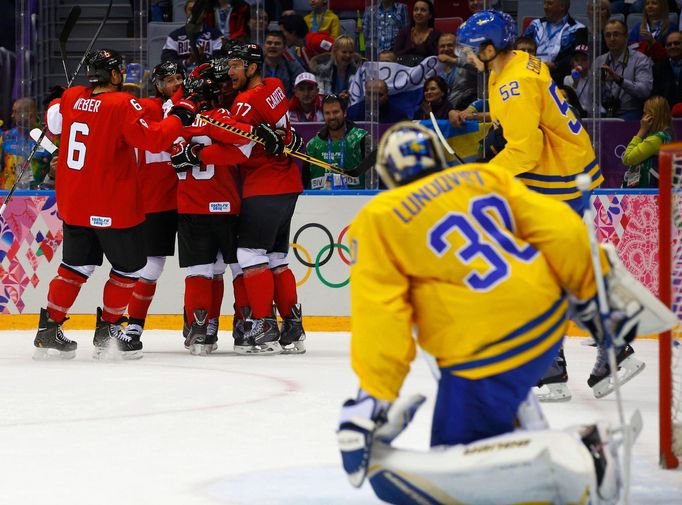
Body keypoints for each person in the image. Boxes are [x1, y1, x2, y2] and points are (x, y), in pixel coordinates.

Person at [336, 122, 670, 504]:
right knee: (501, 405)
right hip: (546, 323)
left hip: (483, 350)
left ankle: (586, 458)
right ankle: (546, 438)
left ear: (387, 174)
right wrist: (595, 295)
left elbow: (382, 317)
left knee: (461, 471)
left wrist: (371, 400)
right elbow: (561, 228)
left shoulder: (379, 216)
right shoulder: (481, 176)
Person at [459, 11, 646, 402]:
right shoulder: (512, 66)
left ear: (491, 47)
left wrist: (484, 176)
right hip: (561, 173)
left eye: (471, 46)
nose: (465, 53)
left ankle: (570, 362)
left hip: (555, 179)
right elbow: (527, 124)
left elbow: (525, 151)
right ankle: (573, 360)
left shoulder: (514, 81)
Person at [34, 48, 195, 360]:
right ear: (112, 74)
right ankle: (108, 329)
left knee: (76, 266)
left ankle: (49, 328)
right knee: (129, 268)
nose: (123, 73)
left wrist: (57, 99)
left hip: (74, 203)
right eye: (119, 69)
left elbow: (54, 116)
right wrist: (179, 115)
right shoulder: (121, 104)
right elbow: (155, 139)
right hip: (110, 204)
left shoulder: (71, 97)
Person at [182, 43, 306, 354]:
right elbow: (272, 130)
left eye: (236, 65)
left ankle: (263, 324)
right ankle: (292, 326)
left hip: (263, 185)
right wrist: (286, 137)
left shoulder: (245, 104)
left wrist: (199, 152)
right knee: (277, 258)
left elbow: (240, 147)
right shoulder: (276, 86)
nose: (230, 71)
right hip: (288, 183)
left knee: (250, 255)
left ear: (252, 67)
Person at [124, 62, 184, 345]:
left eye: (179, 78)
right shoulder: (145, 107)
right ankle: (133, 326)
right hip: (156, 201)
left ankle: (200, 321)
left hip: (190, 200)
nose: (176, 83)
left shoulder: (193, 106)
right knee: (150, 268)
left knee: (207, 267)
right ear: (158, 85)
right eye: (169, 79)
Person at [304, 94, 368, 190]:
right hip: (320, 202)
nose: (332, 117)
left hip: (356, 202)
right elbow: (304, 182)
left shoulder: (361, 139)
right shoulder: (313, 146)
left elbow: (374, 178)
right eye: (327, 113)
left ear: (345, 112)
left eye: (335, 112)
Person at [594, 19, 653, 120]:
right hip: (603, 113)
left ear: (626, 36)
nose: (612, 39)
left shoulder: (640, 59)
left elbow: (645, 90)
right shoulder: (599, 61)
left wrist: (620, 80)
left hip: (630, 113)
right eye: (608, 35)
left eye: (616, 34)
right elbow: (590, 95)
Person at [523, 0, 587, 83]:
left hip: (559, 78)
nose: (545, 7)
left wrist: (555, 66)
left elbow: (578, 58)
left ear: (562, 7)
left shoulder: (578, 29)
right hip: (529, 74)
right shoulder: (535, 25)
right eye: (545, 3)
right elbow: (520, 46)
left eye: (549, 4)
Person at [622, 95, 673, 187]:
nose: (642, 118)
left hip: (648, 193)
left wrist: (641, 131)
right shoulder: (664, 136)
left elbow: (628, 158)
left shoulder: (656, 139)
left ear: (653, 117)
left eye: (645, 114)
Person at [0, 97, 51, 190]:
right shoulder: (6, 137)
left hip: (38, 197)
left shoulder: (47, 139)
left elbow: (53, 171)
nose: (12, 115)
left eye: (16, 112)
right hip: (8, 196)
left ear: (29, 115)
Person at [160, 0, 223, 72]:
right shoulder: (174, 36)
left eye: (197, 10)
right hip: (182, 78)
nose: (194, 13)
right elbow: (166, 61)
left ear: (205, 13)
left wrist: (202, 58)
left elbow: (220, 60)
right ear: (186, 13)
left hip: (207, 77)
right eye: (191, 10)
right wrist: (188, 61)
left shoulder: (216, 35)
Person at [310, 34, 362, 100]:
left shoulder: (358, 71)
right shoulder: (322, 70)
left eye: (351, 52)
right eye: (344, 52)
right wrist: (337, 98)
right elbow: (320, 98)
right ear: (335, 52)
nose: (348, 55)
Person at [436, 32, 479, 110]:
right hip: (444, 112)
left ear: (457, 47)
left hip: (466, 110)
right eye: (442, 46)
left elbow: (479, 68)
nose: (446, 49)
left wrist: (453, 60)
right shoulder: (435, 67)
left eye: (449, 45)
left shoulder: (468, 61)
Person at [262, 30, 306, 97]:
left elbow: (302, 82)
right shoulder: (256, 64)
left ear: (284, 48)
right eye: (269, 43)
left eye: (277, 43)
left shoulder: (290, 62)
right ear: (264, 46)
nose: (273, 46)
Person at [652, 31, 682, 109]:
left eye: (676, 43)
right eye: (669, 45)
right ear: (665, 48)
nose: (672, 46)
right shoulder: (657, 68)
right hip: (665, 113)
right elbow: (656, 95)